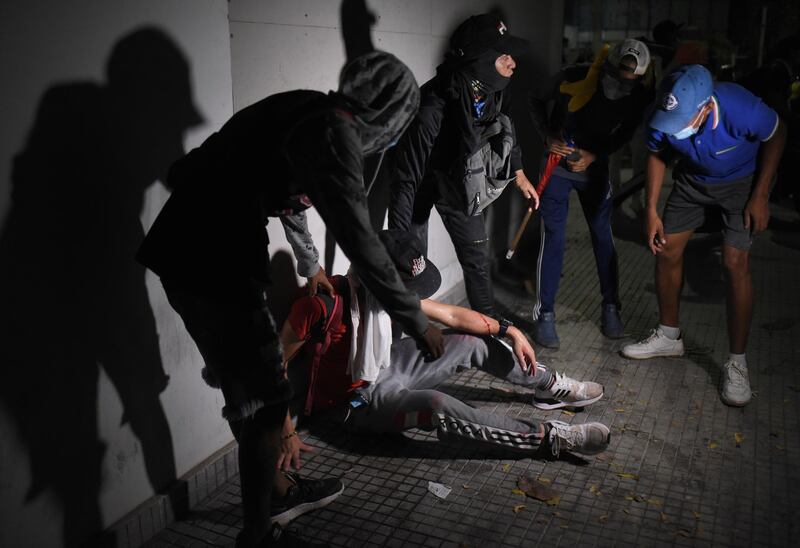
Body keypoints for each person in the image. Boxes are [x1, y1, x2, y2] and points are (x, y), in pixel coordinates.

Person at [136, 49, 445, 547]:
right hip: (214, 263)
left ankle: (276, 493)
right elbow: (362, 242)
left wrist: (307, 264)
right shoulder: (334, 136)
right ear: (389, 115)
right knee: (264, 404)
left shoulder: (305, 108)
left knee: (250, 397)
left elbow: (190, 167)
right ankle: (258, 536)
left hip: (184, 254)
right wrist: (417, 322)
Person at [278, 229, 611, 468]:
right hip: (355, 403)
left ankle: (548, 386)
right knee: (437, 404)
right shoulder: (320, 308)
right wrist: (285, 433)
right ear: (379, 280)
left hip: (389, 365)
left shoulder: (380, 294)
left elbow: (452, 314)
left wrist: (511, 330)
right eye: (405, 290)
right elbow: (271, 370)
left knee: (469, 340)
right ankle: (545, 438)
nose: (412, 297)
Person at [622, 65, 787, 407]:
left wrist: (761, 195)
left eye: (681, 122)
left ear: (706, 107)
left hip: (741, 184)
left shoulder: (740, 107)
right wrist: (651, 209)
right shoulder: (663, 112)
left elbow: (777, 133)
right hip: (692, 183)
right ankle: (669, 336)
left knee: (734, 262)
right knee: (666, 249)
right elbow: (657, 154)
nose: (674, 129)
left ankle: (737, 363)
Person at [387, 13, 539, 319]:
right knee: (413, 264)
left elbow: (507, 128)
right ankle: (406, 333)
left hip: (458, 181)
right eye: (504, 56)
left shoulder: (496, 88)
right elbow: (405, 182)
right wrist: (399, 244)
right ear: (480, 60)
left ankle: (487, 325)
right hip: (421, 181)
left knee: (476, 258)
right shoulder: (431, 108)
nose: (513, 63)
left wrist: (520, 173)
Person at [528, 39, 653, 349]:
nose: (623, 84)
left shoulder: (639, 95)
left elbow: (626, 132)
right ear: (609, 65)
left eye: (632, 79)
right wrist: (547, 136)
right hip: (557, 166)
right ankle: (545, 314)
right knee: (553, 238)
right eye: (619, 75)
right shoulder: (572, 76)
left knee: (603, 236)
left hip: (594, 169)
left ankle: (611, 308)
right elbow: (534, 99)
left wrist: (596, 155)